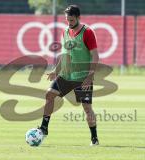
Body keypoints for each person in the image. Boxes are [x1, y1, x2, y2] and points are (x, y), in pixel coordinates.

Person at [38, 4, 99, 146]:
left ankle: (94, 138)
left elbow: (95, 56)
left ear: (78, 18)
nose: (69, 23)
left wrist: (89, 77)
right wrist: (56, 70)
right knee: (49, 94)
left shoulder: (88, 32)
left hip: (82, 77)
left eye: (71, 20)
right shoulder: (65, 31)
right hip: (65, 75)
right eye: (67, 20)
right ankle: (44, 128)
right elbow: (64, 55)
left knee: (87, 108)